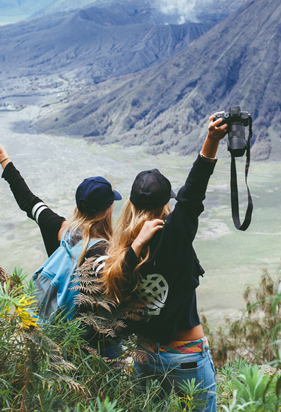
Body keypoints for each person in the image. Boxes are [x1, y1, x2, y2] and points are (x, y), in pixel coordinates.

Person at [101, 114, 227, 412]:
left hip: (145, 358)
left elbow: (112, 285)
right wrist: (212, 139)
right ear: (164, 205)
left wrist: (135, 246)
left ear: (130, 204)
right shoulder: (174, 238)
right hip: (185, 357)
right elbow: (193, 193)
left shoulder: (121, 250)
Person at [0, 130, 121, 346]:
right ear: (108, 210)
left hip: (57, 339)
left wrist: (3, 157)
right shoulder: (104, 255)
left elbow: (29, 202)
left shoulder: (63, 231)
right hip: (94, 352)